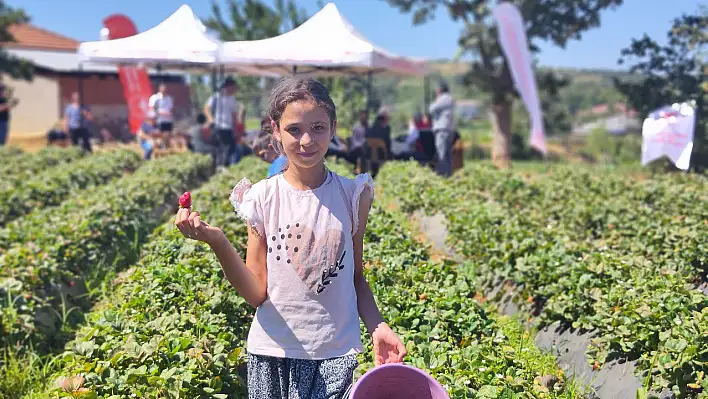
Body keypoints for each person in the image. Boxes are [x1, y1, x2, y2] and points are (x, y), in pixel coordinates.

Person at [175, 77, 407, 399]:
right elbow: (257, 292)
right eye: (294, 129)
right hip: (273, 353)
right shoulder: (262, 198)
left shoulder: (353, 196)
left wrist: (378, 327)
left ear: (333, 128)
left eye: (318, 128)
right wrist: (218, 242)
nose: (307, 140)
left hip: (334, 354)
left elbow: (356, 278)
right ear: (276, 130)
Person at [204, 77, 240, 168]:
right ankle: (218, 166)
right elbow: (206, 108)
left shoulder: (232, 100)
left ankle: (222, 166)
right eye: (233, 87)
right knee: (219, 148)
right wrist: (211, 119)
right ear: (227, 86)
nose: (234, 90)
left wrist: (235, 129)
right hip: (218, 126)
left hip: (228, 127)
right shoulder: (216, 97)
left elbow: (234, 115)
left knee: (228, 148)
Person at [429, 81, 456, 177]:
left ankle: (443, 175)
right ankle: (449, 174)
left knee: (441, 153)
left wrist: (435, 100)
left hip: (442, 130)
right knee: (447, 154)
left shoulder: (443, 98)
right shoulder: (450, 99)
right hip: (448, 129)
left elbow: (431, 109)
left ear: (439, 90)